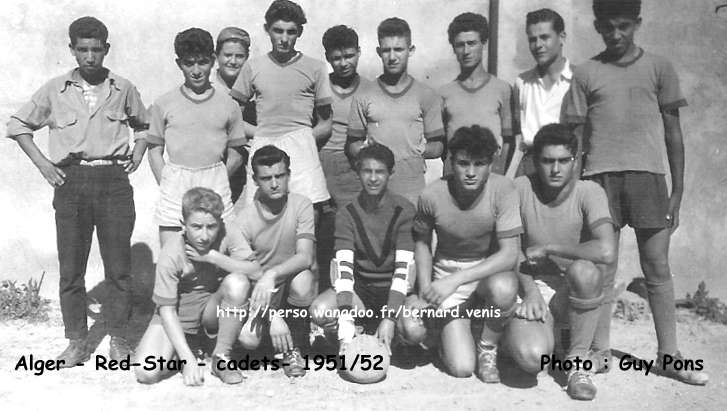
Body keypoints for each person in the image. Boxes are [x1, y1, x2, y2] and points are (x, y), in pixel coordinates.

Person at [563, 0, 708, 386]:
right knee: (603, 268)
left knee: (657, 266)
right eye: (607, 27)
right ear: (597, 26)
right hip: (599, 181)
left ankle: (668, 356)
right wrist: (575, 195)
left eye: (623, 26)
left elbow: (673, 134)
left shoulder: (659, 67)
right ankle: (599, 353)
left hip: (648, 179)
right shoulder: (586, 72)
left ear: (637, 24)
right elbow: (575, 142)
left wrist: (677, 192)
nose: (615, 35)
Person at [6, 16, 148, 365]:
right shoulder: (55, 89)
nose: (89, 57)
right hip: (71, 183)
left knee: (118, 267)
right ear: (72, 50)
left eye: (96, 50)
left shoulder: (123, 87)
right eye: (82, 50)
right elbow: (18, 125)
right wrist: (43, 164)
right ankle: (76, 342)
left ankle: (118, 339)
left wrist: (139, 153)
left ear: (106, 50)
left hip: (114, 182)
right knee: (71, 268)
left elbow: (145, 127)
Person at [401, 125, 521, 383]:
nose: (470, 172)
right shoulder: (432, 194)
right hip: (446, 271)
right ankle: (451, 331)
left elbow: (510, 254)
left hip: (485, 273)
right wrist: (426, 290)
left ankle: (488, 347)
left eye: (479, 164)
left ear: (492, 163)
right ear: (450, 161)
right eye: (463, 163)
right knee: (462, 367)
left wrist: (455, 280)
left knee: (504, 288)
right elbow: (421, 243)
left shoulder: (504, 190)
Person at [506, 124, 617, 400]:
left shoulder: (589, 192)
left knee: (586, 271)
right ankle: (555, 340)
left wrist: (551, 248)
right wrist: (530, 291)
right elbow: (509, 248)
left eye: (563, 161)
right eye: (547, 161)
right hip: (533, 289)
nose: (555, 169)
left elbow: (606, 250)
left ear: (575, 160)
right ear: (534, 161)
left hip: (571, 289)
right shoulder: (520, 188)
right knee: (532, 360)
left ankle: (577, 365)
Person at [134, 187, 261, 385]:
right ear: (183, 224)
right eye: (196, 227)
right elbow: (166, 310)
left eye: (211, 227)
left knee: (238, 283)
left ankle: (221, 358)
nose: (204, 236)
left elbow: (255, 271)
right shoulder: (171, 253)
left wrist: (214, 257)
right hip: (179, 314)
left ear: (220, 222)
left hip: (213, 308)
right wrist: (188, 360)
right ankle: (188, 348)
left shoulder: (229, 232)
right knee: (146, 372)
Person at [309, 144, 415, 355]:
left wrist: (391, 316)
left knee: (414, 330)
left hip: (392, 289)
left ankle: (389, 335)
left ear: (390, 173)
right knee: (319, 311)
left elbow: (404, 269)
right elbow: (344, 268)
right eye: (367, 171)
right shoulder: (346, 213)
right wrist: (346, 316)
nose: (373, 178)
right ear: (358, 173)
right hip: (361, 290)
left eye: (380, 172)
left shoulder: (405, 210)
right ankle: (349, 333)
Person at [147, 28, 247, 247]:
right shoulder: (164, 103)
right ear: (178, 63)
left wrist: (219, 178)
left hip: (214, 180)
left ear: (212, 61)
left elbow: (237, 154)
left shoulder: (228, 104)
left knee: (218, 255)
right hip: (176, 182)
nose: (196, 70)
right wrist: (167, 182)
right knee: (172, 256)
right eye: (188, 63)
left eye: (202, 62)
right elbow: (154, 150)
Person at [230, 0, 332, 210]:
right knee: (263, 218)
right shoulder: (253, 67)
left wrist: (301, 138)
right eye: (278, 30)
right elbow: (233, 117)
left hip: (302, 149)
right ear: (267, 29)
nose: (284, 39)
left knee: (306, 214)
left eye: (291, 32)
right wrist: (261, 134)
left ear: (300, 32)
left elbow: (326, 124)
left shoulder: (316, 68)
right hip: (264, 147)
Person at [232, 145, 317, 378]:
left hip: (285, 285)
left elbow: (305, 256)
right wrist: (273, 315)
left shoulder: (302, 205)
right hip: (259, 294)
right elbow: (248, 275)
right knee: (248, 340)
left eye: (279, 176)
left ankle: (294, 348)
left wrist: (272, 274)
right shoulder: (243, 220)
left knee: (304, 280)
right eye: (266, 178)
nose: (274, 183)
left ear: (288, 175)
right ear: (255, 180)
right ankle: (270, 341)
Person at [347, 17, 445, 204]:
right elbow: (352, 145)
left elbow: (438, 146)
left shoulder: (426, 94)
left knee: (410, 232)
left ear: (411, 50)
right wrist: (368, 154)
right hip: (375, 190)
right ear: (379, 52)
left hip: (412, 188)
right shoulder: (364, 96)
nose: (392, 57)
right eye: (386, 50)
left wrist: (417, 150)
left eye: (398, 49)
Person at [316, 24, 371, 290]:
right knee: (325, 233)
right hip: (322, 162)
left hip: (354, 165)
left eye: (349, 55)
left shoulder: (371, 89)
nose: (343, 63)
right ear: (328, 58)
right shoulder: (319, 85)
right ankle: (325, 301)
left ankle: (355, 296)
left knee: (354, 230)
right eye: (336, 58)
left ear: (359, 53)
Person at [439, 12, 513, 176]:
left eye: (472, 43)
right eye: (460, 45)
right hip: (454, 178)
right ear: (453, 48)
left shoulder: (502, 89)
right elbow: (442, 143)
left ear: (484, 43)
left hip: (489, 175)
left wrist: (498, 172)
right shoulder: (444, 93)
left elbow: (508, 140)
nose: (466, 51)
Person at [507, 8, 573, 178]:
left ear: (562, 37)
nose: (538, 45)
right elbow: (517, 139)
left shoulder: (577, 80)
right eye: (532, 39)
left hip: (563, 164)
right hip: (529, 166)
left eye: (544, 37)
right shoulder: (522, 82)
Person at [213, 26, 255, 203]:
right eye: (227, 55)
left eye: (239, 56)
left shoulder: (253, 89)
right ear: (216, 57)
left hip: (243, 175)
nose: (233, 61)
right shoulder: (208, 89)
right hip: (214, 169)